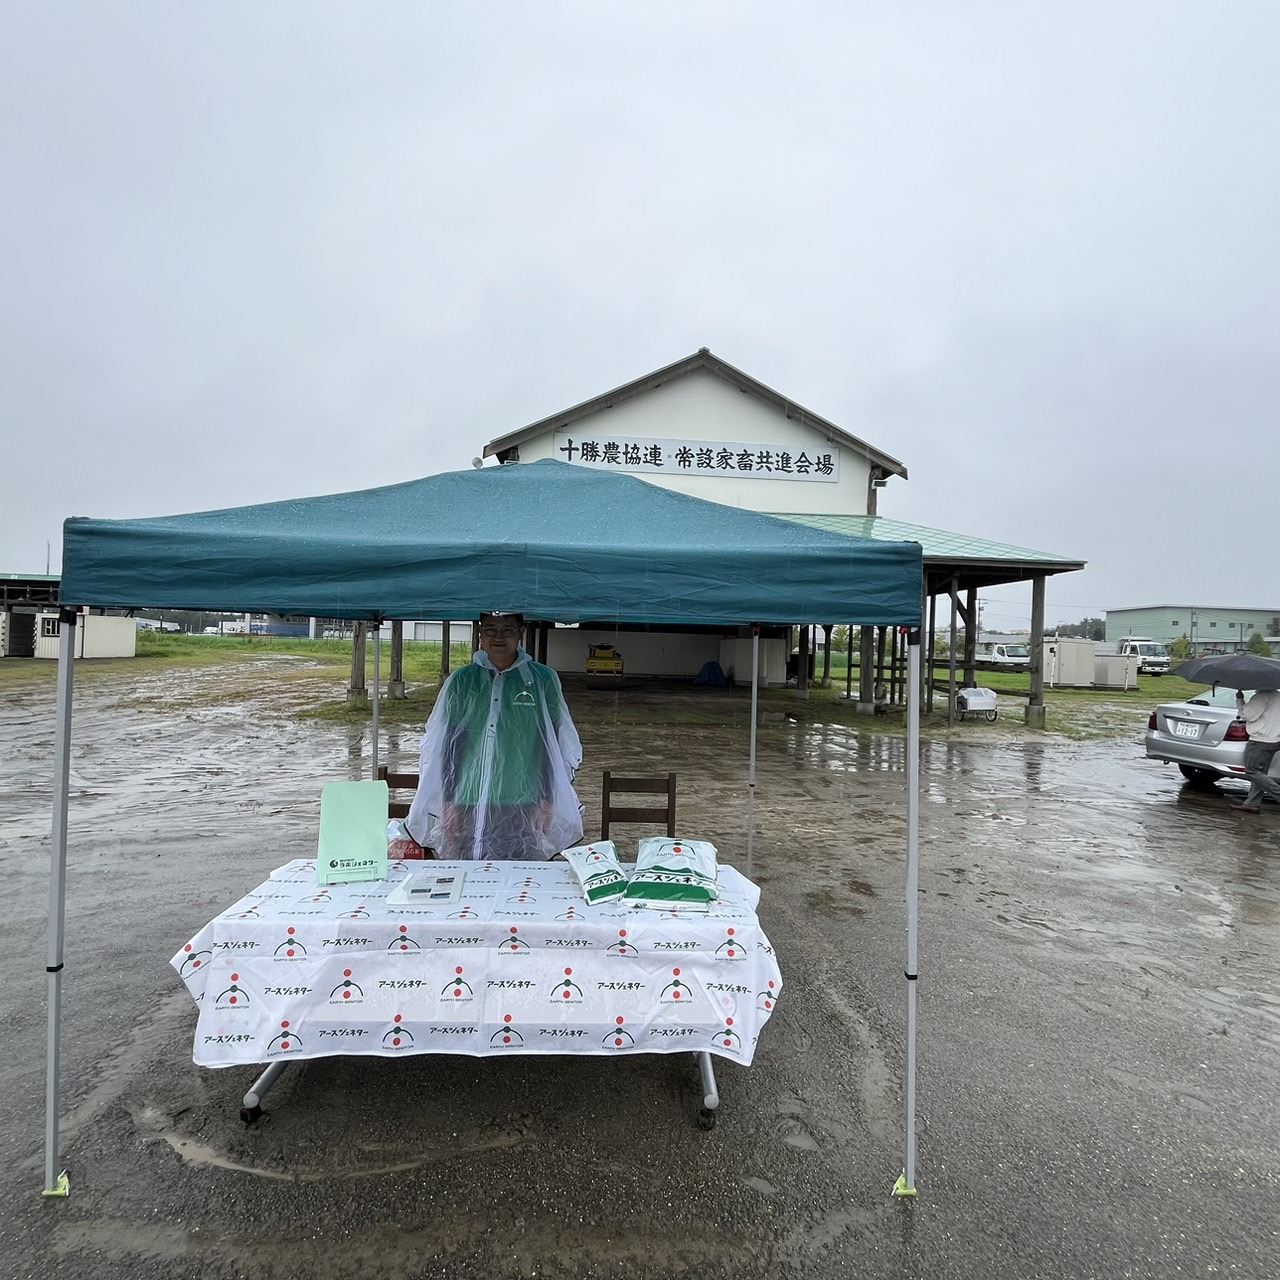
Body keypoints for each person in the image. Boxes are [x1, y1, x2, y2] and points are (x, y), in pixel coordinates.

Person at [405, 612, 583, 859]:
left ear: (521, 632)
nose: (498, 637)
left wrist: (546, 799)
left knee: (519, 874)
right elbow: (448, 746)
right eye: (490, 629)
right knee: (467, 874)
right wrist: (448, 800)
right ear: (480, 633)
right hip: (467, 798)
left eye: (507, 629)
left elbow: (551, 746)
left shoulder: (542, 681)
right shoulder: (462, 681)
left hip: (524, 799)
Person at [1235, 687, 1280, 814]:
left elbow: (1246, 715)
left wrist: (1240, 700)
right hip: (1275, 740)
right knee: (1261, 773)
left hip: (1260, 740)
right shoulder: (1278, 696)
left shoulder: (1261, 697)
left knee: (1252, 771)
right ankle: (1252, 803)